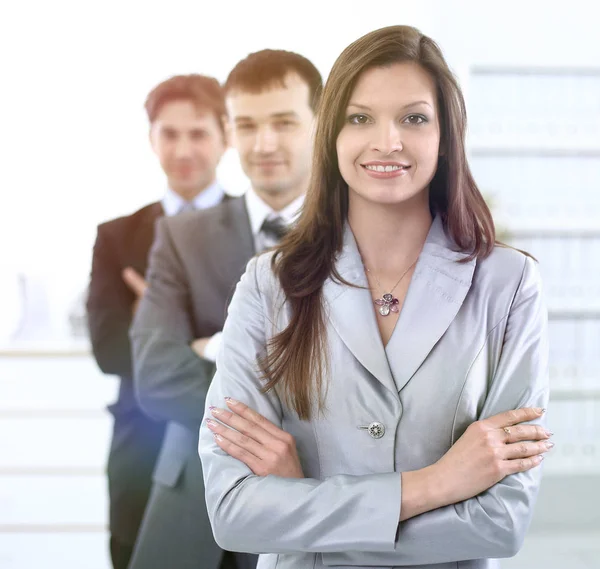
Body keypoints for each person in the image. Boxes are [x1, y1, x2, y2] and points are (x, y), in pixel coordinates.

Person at [199, 25, 552, 569]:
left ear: (446, 136)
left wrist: (303, 506)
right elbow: (234, 512)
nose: (387, 141)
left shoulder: (508, 285)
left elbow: (500, 524)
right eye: (360, 118)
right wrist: (437, 483)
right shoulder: (269, 283)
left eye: (414, 118)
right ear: (331, 135)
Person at [129, 49, 322, 569]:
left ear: (320, 123)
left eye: (283, 122)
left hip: (314, 507)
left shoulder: (361, 237)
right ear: (230, 130)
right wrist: (281, 429)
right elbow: (155, 376)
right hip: (191, 512)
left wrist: (214, 348)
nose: (264, 144)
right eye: (247, 125)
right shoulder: (181, 237)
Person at [86, 73, 227, 569]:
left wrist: (156, 325)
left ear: (225, 135)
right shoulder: (117, 238)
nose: (183, 149)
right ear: (152, 139)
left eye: (199, 133)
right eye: (170, 134)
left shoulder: (259, 228)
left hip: (236, 443)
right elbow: (109, 350)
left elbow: (268, 350)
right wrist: (207, 341)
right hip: (142, 444)